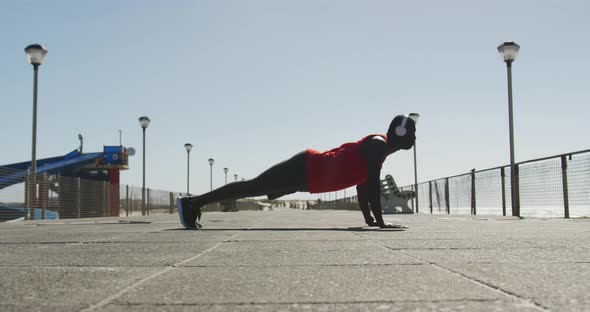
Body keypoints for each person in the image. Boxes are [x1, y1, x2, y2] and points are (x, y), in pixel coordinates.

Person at [177, 113, 418, 230]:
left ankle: (195, 203)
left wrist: (371, 220)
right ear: (399, 131)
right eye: (412, 131)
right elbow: (372, 184)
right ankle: (193, 203)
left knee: (254, 187)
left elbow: (363, 185)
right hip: (307, 168)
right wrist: (381, 223)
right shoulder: (378, 144)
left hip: (309, 176)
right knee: (253, 186)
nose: (414, 137)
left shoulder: (381, 149)